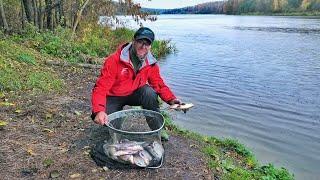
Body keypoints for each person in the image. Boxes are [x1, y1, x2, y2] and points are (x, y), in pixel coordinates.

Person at [91, 27, 181, 133]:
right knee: (109, 125)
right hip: (114, 96)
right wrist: (99, 111)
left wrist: (171, 99)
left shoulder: (150, 63)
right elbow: (101, 87)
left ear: (150, 46)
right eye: (140, 42)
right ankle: (117, 122)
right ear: (133, 41)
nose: (143, 46)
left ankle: (157, 131)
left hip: (134, 94)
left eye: (147, 44)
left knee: (149, 92)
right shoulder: (114, 60)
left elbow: (158, 84)